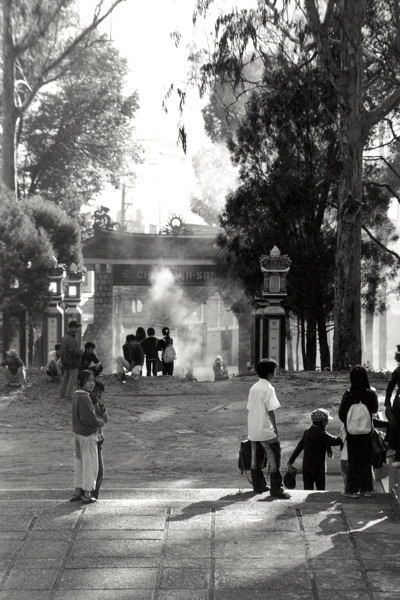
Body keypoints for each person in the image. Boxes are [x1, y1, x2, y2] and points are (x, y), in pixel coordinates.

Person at [247, 358, 290, 498]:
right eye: (275, 371)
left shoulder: (253, 387)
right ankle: (276, 488)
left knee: (256, 458)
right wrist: (276, 431)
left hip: (253, 429)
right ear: (270, 374)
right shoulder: (269, 388)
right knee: (274, 458)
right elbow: (270, 411)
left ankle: (258, 485)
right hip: (265, 429)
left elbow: (250, 408)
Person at [339, 365, 378, 498]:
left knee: (353, 461)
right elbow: (374, 409)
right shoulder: (371, 392)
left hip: (352, 433)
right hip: (367, 432)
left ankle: (352, 490)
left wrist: (350, 422)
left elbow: (341, 414)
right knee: (366, 461)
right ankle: (366, 490)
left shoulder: (348, 393)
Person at [287, 408, 343, 491]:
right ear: (323, 421)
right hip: (318, 468)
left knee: (307, 490)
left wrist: (291, 461)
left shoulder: (307, 432)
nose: (328, 422)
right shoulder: (321, 433)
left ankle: (309, 504)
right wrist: (345, 432)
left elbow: (299, 447)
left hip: (306, 467)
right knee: (320, 491)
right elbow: (336, 441)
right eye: (327, 420)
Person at [70, 369, 103, 504]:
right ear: (81, 382)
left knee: (79, 463)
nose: (91, 383)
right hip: (87, 434)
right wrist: (99, 422)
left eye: (93, 380)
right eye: (88, 380)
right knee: (90, 464)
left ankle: (77, 491)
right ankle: (88, 493)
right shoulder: (85, 397)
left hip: (78, 434)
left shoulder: (76, 395)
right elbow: (88, 418)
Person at [90, 380, 108, 500]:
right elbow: (99, 421)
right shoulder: (89, 402)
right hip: (93, 438)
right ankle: (91, 493)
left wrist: (102, 407)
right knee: (97, 471)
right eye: (96, 392)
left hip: (98, 439)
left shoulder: (97, 402)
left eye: (99, 392)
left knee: (98, 471)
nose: (98, 394)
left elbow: (106, 419)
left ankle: (93, 494)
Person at [384, 345, 400, 466]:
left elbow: (390, 386)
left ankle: (397, 457)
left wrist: (387, 402)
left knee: (397, 428)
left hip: (398, 402)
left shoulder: (398, 370)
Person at [60, 320, 82, 401]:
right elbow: (72, 352)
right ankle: (69, 396)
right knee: (72, 379)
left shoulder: (64, 337)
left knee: (65, 377)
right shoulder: (71, 339)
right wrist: (80, 353)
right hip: (72, 362)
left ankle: (62, 394)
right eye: (76, 328)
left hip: (65, 361)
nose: (77, 329)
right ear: (72, 328)